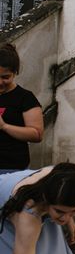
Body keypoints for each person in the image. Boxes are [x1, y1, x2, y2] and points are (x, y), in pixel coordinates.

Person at [0, 162, 75, 254]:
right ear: (46, 200)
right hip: (8, 204)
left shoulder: (64, 177)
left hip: (30, 195)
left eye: (74, 210)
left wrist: (71, 221)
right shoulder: (28, 214)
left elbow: (67, 203)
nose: (65, 218)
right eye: (60, 211)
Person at [0, 43, 44, 175]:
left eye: (5, 77)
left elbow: (37, 134)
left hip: (11, 169)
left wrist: (4, 126)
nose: (0, 82)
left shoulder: (25, 97)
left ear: (15, 73)